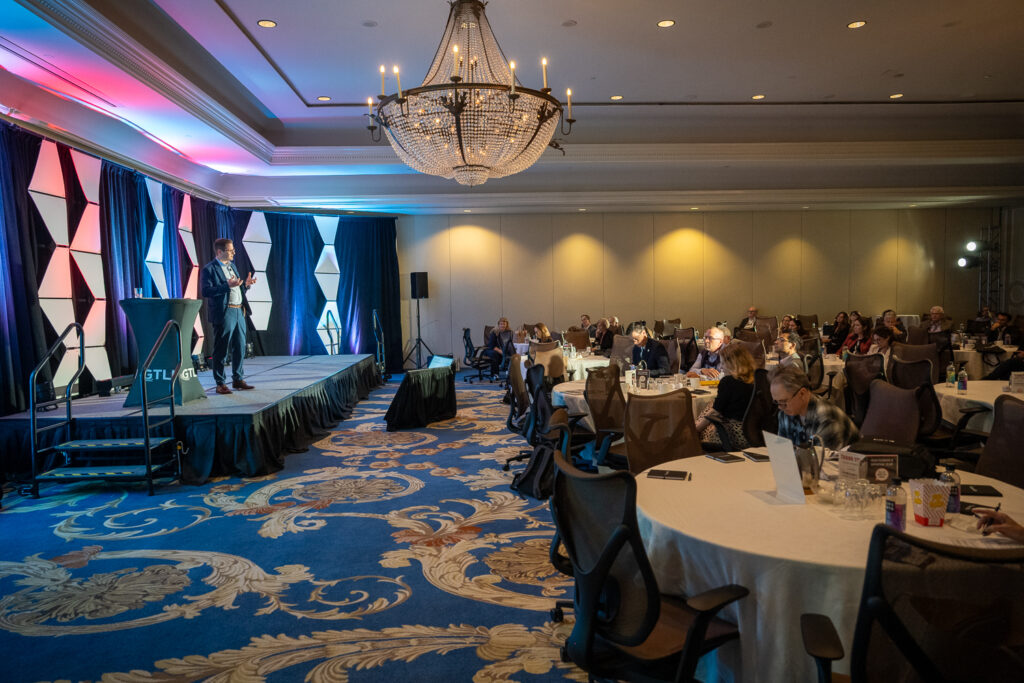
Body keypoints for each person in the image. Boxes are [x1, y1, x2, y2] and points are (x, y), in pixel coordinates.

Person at [200, 238, 256, 394]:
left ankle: (238, 379)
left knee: (240, 346)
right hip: (224, 312)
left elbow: (236, 290)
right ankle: (220, 383)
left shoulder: (232, 266)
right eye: (230, 250)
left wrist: (246, 285)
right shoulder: (209, 269)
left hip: (239, 310)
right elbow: (205, 291)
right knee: (222, 348)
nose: (234, 252)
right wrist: (227, 286)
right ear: (220, 252)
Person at [769, 364, 859, 450]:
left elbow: (823, 462)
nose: (780, 407)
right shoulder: (786, 413)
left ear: (802, 393)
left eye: (783, 401)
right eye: (777, 402)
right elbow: (783, 452)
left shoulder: (827, 419)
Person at [694, 343, 757, 448]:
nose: (721, 367)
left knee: (708, 413)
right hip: (753, 433)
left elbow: (716, 412)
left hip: (732, 433)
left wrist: (696, 429)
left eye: (722, 363)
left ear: (731, 363)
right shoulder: (757, 379)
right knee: (711, 404)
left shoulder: (728, 382)